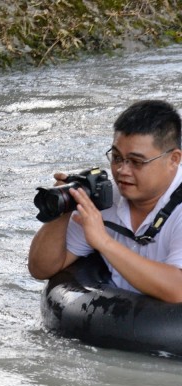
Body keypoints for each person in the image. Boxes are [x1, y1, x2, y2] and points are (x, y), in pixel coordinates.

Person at [29, 100, 182, 303]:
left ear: (174, 159)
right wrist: (63, 211)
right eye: (117, 158)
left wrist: (104, 242)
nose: (122, 171)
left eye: (136, 162)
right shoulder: (104, 200)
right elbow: (41, 269)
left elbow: (178, 290)